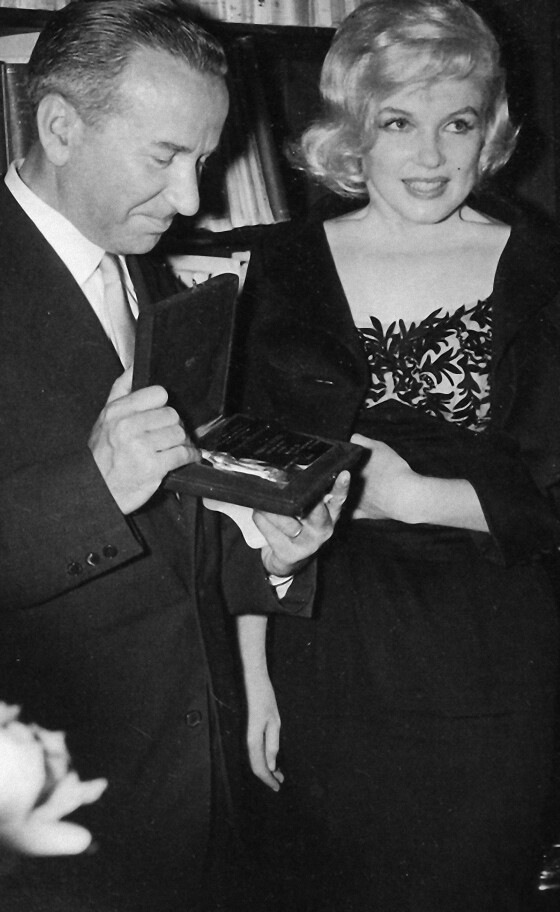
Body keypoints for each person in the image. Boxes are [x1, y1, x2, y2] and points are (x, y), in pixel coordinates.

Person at [0, 2, 350, 910]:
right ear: (60, 127)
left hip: (191, 790)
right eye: (165, 157)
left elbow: (174, 516)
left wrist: (268, 550)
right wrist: (93, 485)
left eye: (204, 159)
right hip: (36, 825)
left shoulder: (143, 266)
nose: (192, 199)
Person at [235, 1, 560, 910]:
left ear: (490, 131)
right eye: (398, 123)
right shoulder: (285, 265)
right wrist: (253, 676)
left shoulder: (543, 268)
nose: (431, 155)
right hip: (325, 651)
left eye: (458, 123)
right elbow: (240, 485)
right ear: (353, 132)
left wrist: (413, 497)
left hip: (492, 656)